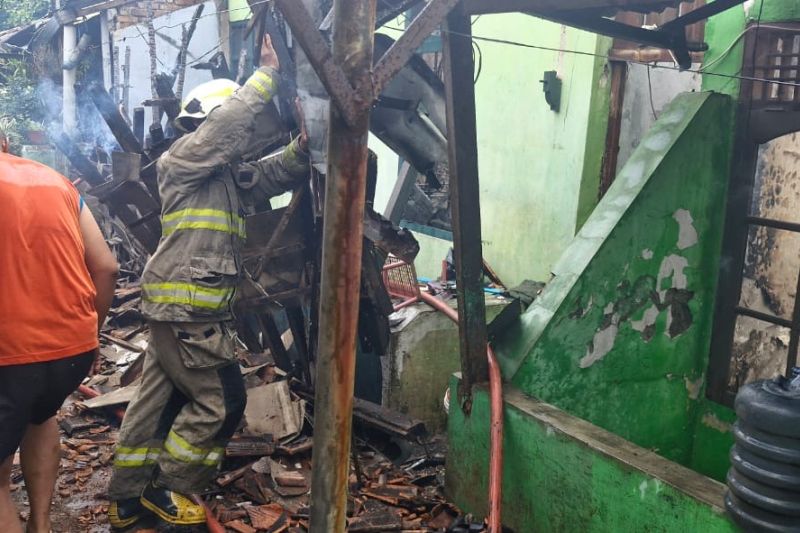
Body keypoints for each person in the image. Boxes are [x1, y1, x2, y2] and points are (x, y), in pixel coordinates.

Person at [107, 35, 310, 529]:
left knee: (157, 400)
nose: (244, 138)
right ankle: (172, 489)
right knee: (222, 401)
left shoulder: (220, 178)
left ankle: (128, 499)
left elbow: (269, 174)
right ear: (209, 125)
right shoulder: (182, 161)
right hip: (188, 308)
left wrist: (304, 146)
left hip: (176, 308)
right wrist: (265, 78)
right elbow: (227, 129)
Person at [0, 131, 119, 533]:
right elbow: (107, 267)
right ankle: (42, 524)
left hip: (9, 355)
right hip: (72, 350)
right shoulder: (58, 182)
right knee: (41, 416)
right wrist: (93, 334)